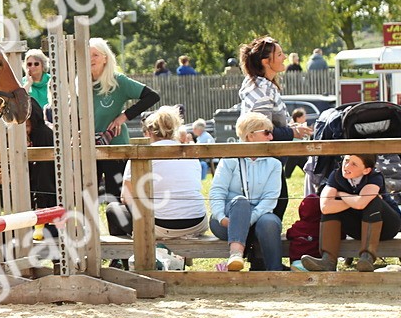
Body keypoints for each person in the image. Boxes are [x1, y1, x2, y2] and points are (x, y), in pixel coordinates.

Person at [238, 36, 312, 220]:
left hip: (269, 158)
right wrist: (292, 132)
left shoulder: (262, 86)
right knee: (275, 204)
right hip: (265, 159)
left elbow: (268, 125)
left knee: (277, 203)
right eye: (279, 54)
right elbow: (262, 132)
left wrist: (291, 127)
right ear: (266, 62)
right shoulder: (261, 90)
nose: (284, 57)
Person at [106, 106, 207, 240]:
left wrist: (141, 221)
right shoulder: (190, 153)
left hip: (160, 226)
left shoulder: (141, 153)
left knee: (112, 208)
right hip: (197, 223)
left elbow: (126, 197)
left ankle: (124, 259)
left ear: (149, 132)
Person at [208, 112, 284, 271]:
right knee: (240, 201)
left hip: (257, 220)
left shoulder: (274, 164)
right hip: (226, 221)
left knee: (269, 222)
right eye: (267, 132)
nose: (271, 137)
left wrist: (246, 221)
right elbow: (217, 192)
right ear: (250, 136)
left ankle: (275, 272)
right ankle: (235, 255)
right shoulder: (230, 159)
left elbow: (270, 200)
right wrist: (221, 217)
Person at [301, 154, 401, 272]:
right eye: (346, 161)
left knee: (372, 201)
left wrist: (341, 194)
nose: (347, 166)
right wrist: (356, 200)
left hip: (387, 226)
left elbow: (361, 203)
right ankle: (328, 260)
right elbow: (325, 207)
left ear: (366, 170)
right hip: (358, 226)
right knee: (333, 207)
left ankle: (367, 257)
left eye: (354, 164)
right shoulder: (336, 175)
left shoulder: (375, 176)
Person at [90, 38, 161, 203]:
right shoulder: (80, 83)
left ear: (105, 58)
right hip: (87, 147)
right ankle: (89, 229)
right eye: (87, 55)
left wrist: (124, 117)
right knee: (87, 197)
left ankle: (121, 229)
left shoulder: (117, 81)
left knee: (117, 197)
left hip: (114, 146)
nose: (91, 59)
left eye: (95, 55)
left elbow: (152, 96)